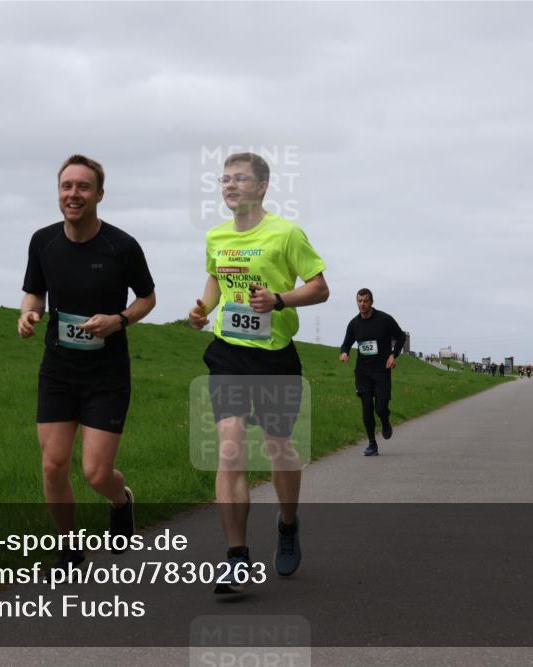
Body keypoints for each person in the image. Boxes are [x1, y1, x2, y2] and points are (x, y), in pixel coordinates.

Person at [188, 151, 329, 594]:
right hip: (227, 354)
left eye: (240, 179)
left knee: (278, 448)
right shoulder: (216, 236)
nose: (230, 186)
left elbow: (320, 287)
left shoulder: (286, 233)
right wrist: (203, 308)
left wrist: (279, 300)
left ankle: (288, 522)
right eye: (224, 179)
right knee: (230, 448)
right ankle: (236, 557)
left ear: (263, 186)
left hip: (274, 356)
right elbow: (216, 278)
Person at [18, 154, 156, 570]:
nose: (73, 194)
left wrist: (119, 320)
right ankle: (68, 547)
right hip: (58, 371)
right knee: (53, 465)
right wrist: (28, 314)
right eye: (67, 186)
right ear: (58, 192)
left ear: (99, 194)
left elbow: (147, 298)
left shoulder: (121, 246)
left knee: (96, 473)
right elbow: (34, 292)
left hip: (106, 374)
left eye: (82, 187)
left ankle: (121, 500)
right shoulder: (43, 242)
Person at [339, 289, 406, 456]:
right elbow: (346, 343)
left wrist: (393, 355)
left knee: (380, 408)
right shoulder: (354, 324)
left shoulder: (384, 319)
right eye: (359, 301)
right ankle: (372, 443)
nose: (362, 304)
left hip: (382, 371)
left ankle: (385, 420)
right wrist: (344, 352)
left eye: (365, 301)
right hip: (363, 372)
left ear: (371, 302)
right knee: (367, 407)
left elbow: (401, 336)